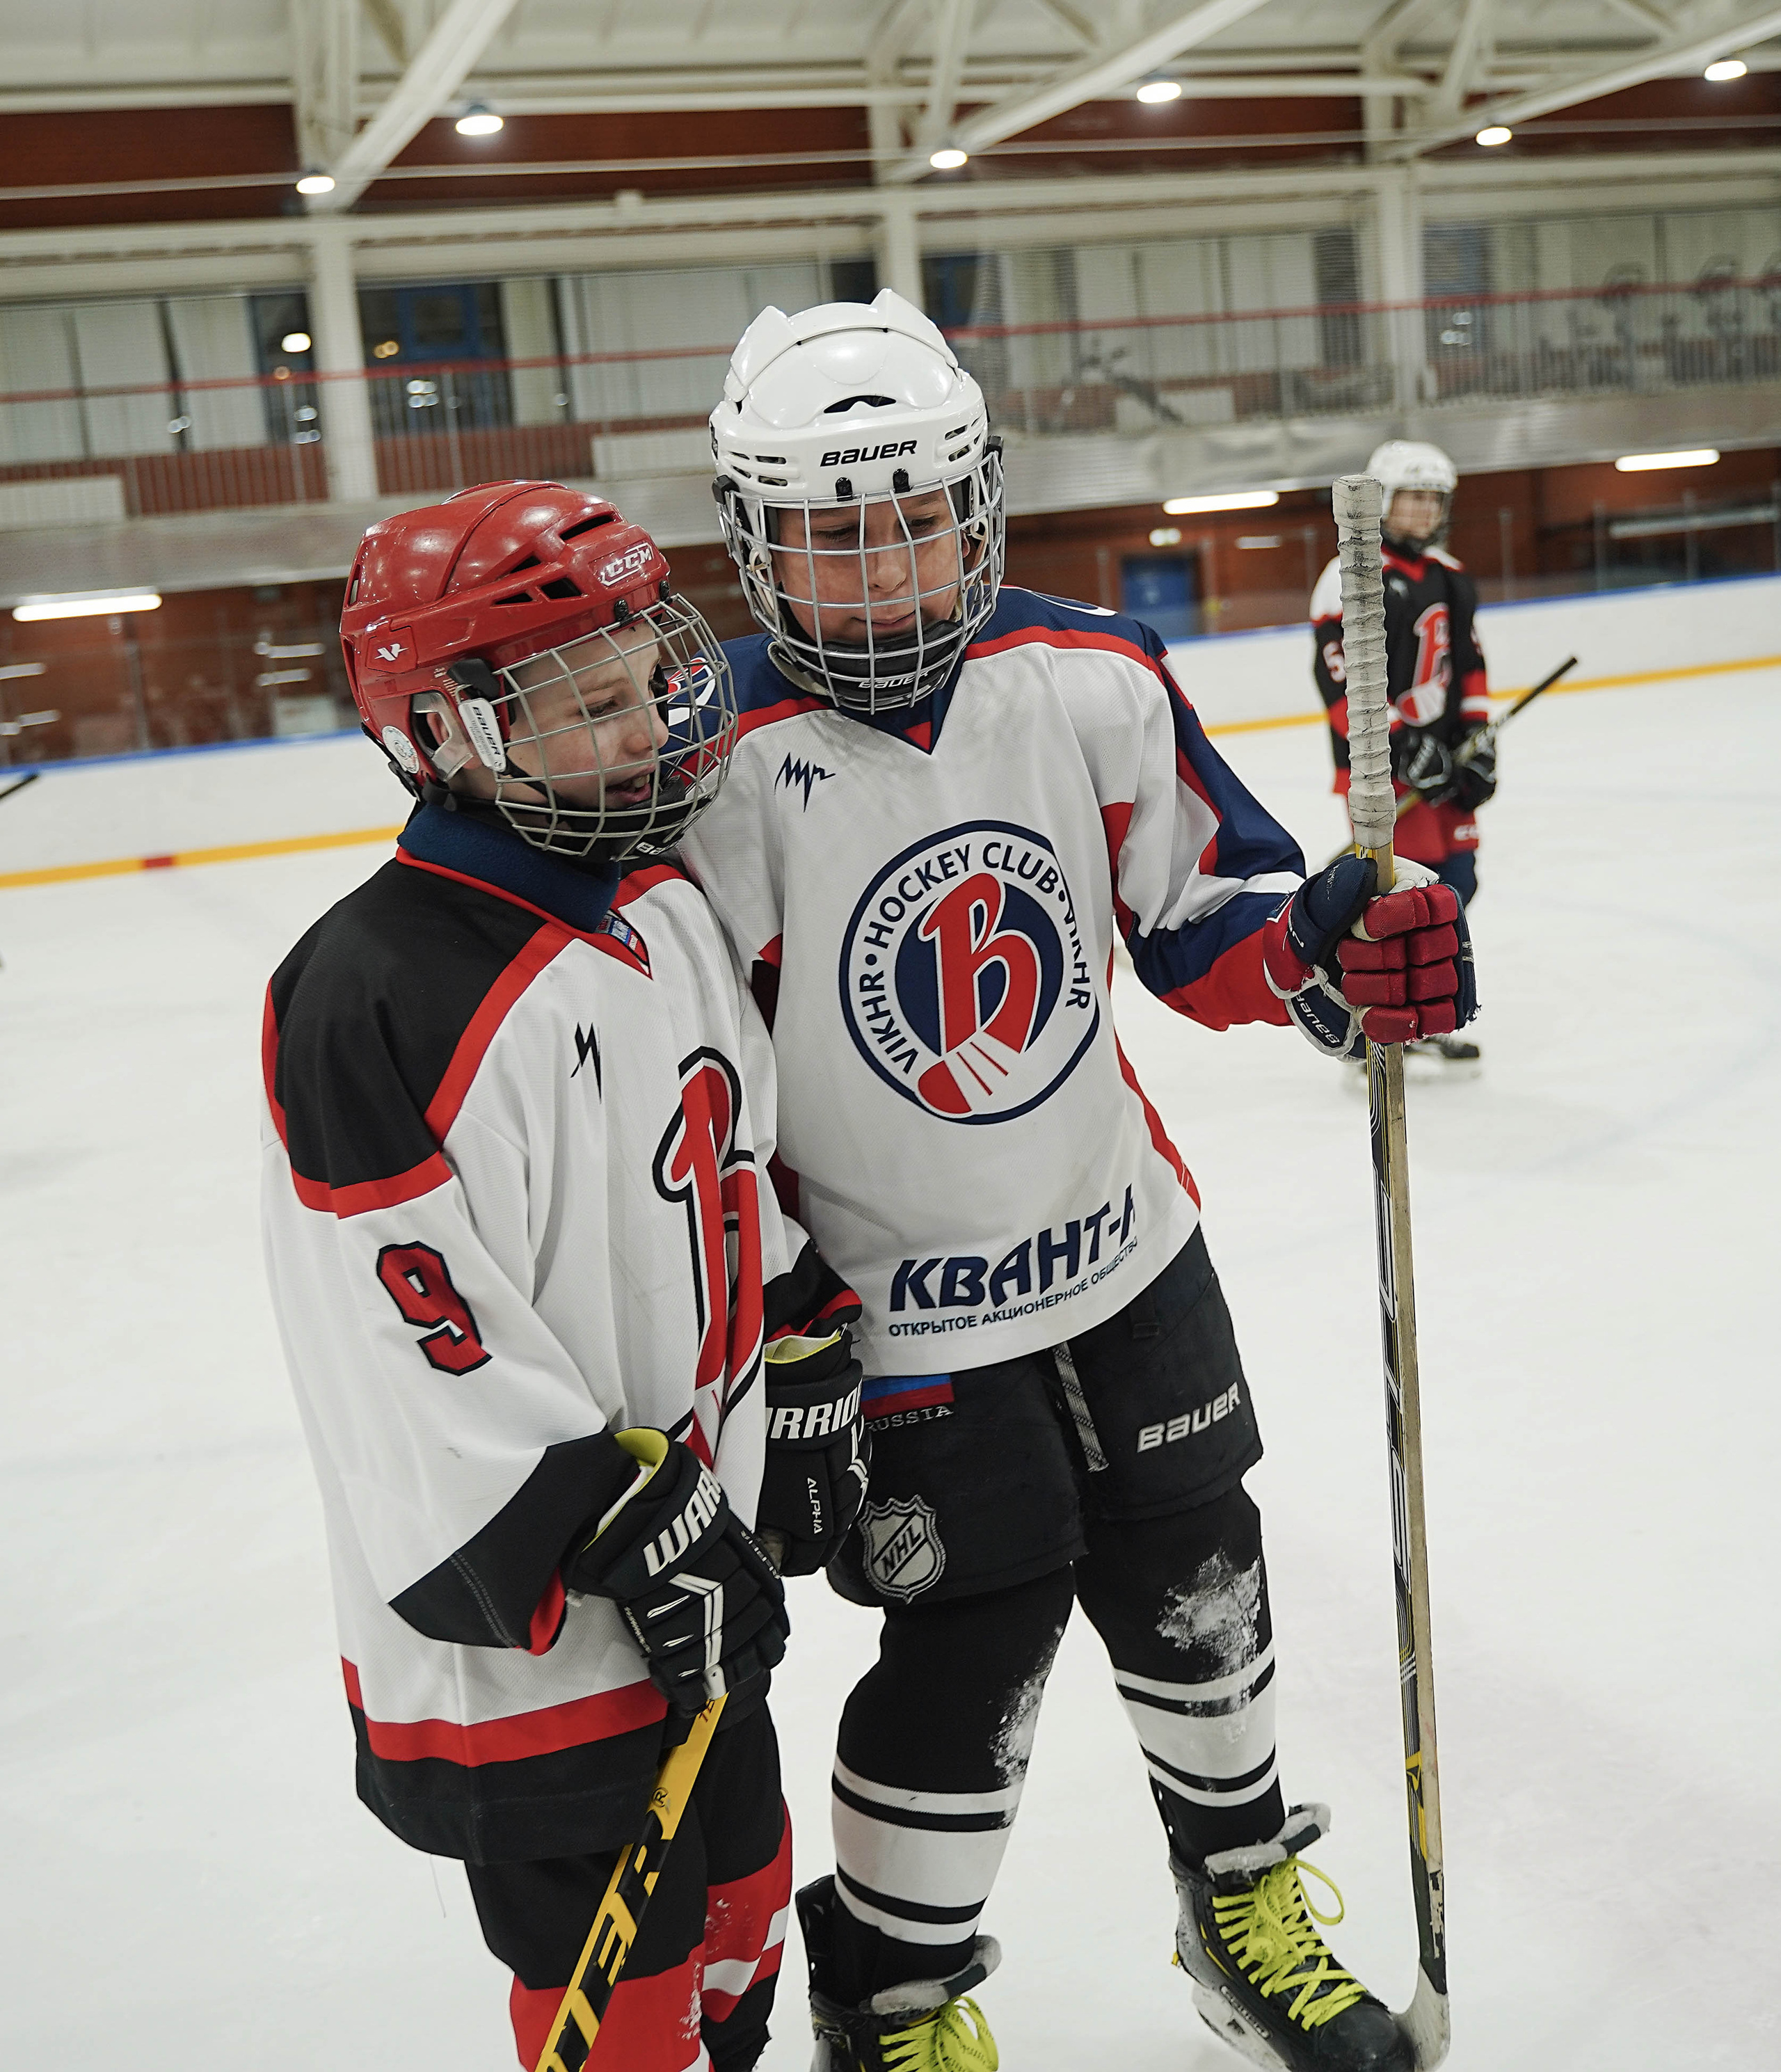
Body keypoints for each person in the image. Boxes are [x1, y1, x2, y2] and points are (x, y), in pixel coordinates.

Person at [678, 292, 1476, 2072]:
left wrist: (1335, 949)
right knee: (975, 1636)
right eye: (826, 535)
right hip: (896, 1324)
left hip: (1126, 1250)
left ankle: (1236, 1898)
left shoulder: (1089, 676)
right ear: (750, 537)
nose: (880, 573)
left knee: (1206, 1570)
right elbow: (698, 1097)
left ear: (976, 506)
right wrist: (787, 1319)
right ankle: (894, 1992)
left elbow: (1208, 922)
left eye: (911, 521)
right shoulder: (709, 773)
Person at [259, 481, 868, 2072]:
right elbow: (399, 1331)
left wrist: (796, 1351)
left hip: (698, 1578)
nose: (651, 717)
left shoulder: (660, 901)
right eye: (588, 701)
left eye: (642, 671)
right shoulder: (373, 992)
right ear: (450, 729)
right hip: (539, 1629)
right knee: (629, 2010)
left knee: (742, 1929)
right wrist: (605, 1517)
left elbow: (728, 1171)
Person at [1311, 438, 1495, 1065]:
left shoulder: (1450, 574)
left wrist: (1477, 743)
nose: (1424, 510)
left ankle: (1426, 1010)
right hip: (1379, 770)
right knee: (1394, 901)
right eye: (1413, 496)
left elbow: (1470, 665)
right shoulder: (1350, 574)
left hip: (1440, 765)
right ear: (1385, 501)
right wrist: (1400, 745)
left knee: (1456, 884)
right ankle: (1369, 1021)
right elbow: (1340, 681)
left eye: (1434, 498)